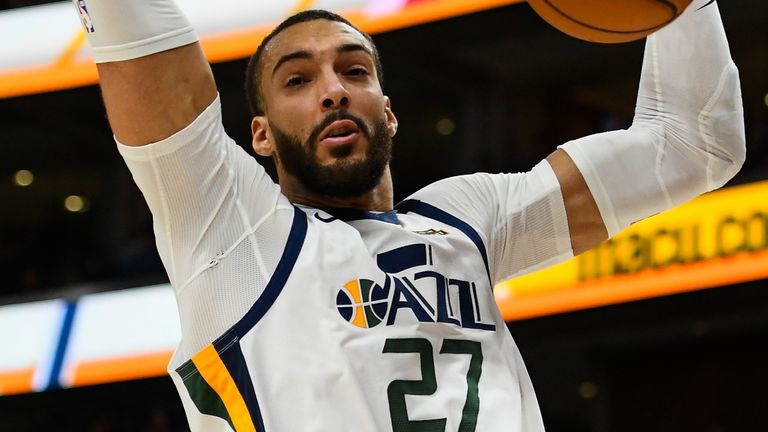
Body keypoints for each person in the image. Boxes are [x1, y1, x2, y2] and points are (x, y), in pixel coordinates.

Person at [71, 0, 744, 430]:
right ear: (261, 136)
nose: (334, 90)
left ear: (389, 113)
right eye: (298, 81)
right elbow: (146, 47)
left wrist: (687, 6)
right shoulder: (235, 234)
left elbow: (694, 145)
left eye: (355, 71)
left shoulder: (466, 222)